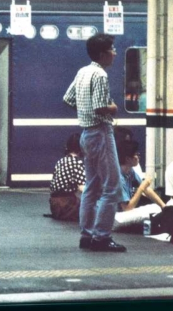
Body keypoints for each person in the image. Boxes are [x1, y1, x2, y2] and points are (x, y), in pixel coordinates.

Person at [63, 33, 126, 252]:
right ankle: (102, 237)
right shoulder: (100, 75)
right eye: (112, 49)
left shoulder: (83, 71)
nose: (115, 53)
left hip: (85, 135)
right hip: (100, 133)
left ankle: (87, 235)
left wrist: (84, 114)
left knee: (91, 187)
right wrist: (114, 108)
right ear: (103, 54)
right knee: (112, 188)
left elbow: (68, 98)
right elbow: (100, 107)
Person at [112, 140, 165, 231]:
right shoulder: (118, 178)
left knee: (157, 207)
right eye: (136, 154)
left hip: (122, 213)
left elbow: (146, 189)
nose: (138, 157)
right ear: (128, 159)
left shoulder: (130, 171)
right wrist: (141, 188)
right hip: (115, 218)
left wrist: (164, 207)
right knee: (150, 211)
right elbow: (127, 208)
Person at [49, 133, 86, 221]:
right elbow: (82, 188)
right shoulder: (77, 162)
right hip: (67, 205)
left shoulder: (60, 161)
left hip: (54, 204)